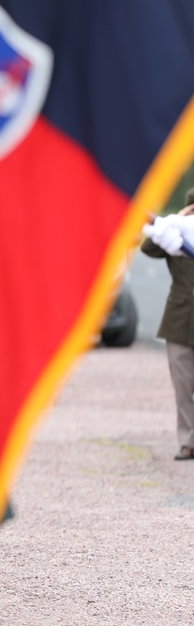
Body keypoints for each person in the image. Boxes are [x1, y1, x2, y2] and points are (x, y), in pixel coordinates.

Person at [140, 187, 194, 460]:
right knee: (183, 385)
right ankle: (187, 442)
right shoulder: (178, 236)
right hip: (180, 322)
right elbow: (148, 248)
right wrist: (175, 221)